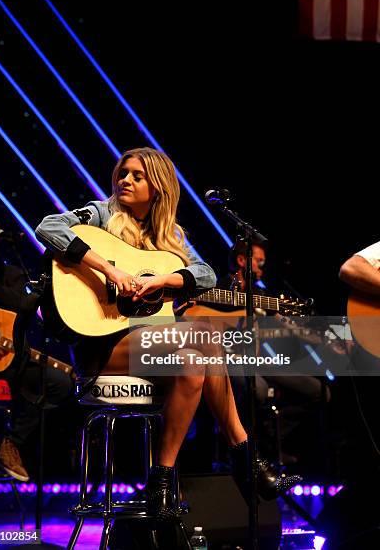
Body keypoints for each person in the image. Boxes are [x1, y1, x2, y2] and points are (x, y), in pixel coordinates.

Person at [35, 147, 301, 519]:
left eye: (137, 176)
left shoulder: (168, 235)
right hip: (103, 344)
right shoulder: (100, 214)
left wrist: (164, 279)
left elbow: (205, 274)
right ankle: (247, 458)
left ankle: (160, 484)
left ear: (158, 187)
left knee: (193, 365)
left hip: (151, 342)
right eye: (123, 173)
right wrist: (111, 272)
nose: (125, 180)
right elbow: (48, 227)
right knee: (206, 336)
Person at [0, 201, 73, 481]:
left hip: (7, 359)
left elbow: (21, 306)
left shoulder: (11, 275)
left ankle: (9, 443)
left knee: (58, 383)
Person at [218, 239, 330, 467]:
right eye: (259, 262)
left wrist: (325, 339)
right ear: (242, 261)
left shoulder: (261, 295)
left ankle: (272, 442)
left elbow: (289, 324)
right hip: (227, 359)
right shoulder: (220, 288)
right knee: (257, 390)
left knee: (319, 391)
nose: (262, 268)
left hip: (257, 361)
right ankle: (244, 451)